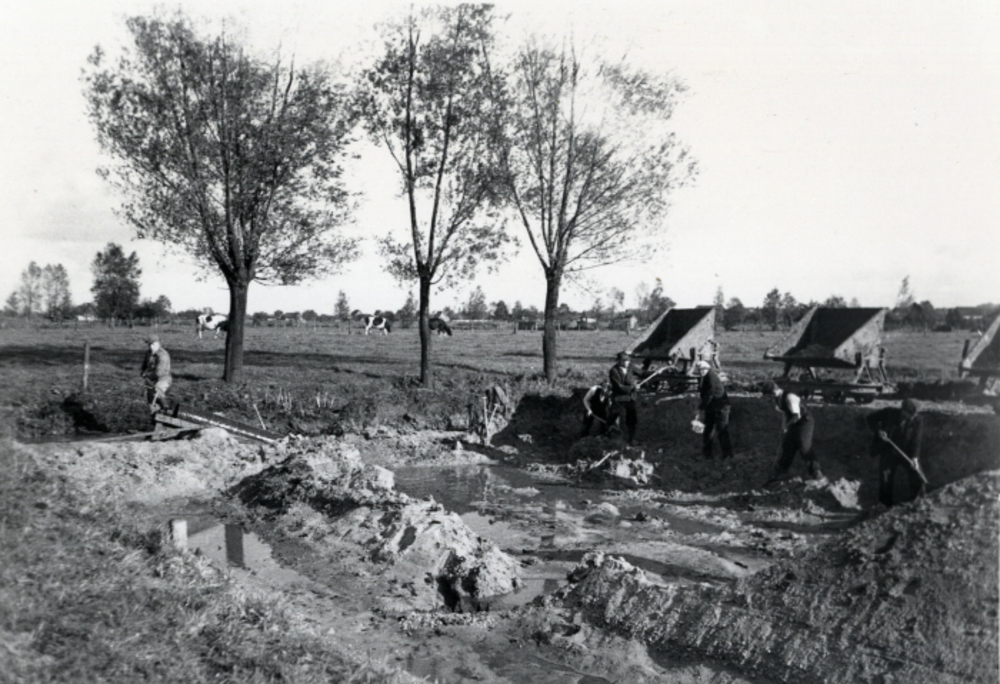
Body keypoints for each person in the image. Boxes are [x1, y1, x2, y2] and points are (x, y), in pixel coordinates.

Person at [865, 398, 925, 506]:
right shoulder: (889, 413)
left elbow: (917, 440)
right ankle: (885, 506)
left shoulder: (918, 420)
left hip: (906, 452)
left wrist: (915, 457)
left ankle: (918, 502)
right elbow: (870, 419)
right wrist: (879, 431)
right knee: (886, 479)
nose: (913, 417)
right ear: (903, 410)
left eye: (915, 414)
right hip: (888, 451)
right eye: (910, 414)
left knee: (917, 474)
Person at [761, 380, 823, 482]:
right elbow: (786, 414)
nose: (768, 398)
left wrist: (787, 427)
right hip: (793, 422)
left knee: (803, 445)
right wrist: (783, 428)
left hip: (804, 422)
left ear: (773, 392)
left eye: (768, 395)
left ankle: (816, 473)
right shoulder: (777, 399)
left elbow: (796, 416)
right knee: (788, 445)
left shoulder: (790, 397)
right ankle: (781, 471)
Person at [695, 359, 734, 460]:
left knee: (722, 431)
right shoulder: (705, 377)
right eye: (699, 370)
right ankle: (707, 454)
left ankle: (728, 455)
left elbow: (709, 394)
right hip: (712, 408)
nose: (701, 371)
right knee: (707, 430)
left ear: (708, 368)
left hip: (721, 408)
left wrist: (701, 408)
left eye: (703, 369)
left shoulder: (711, 377)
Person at [609, 351, 638, 445]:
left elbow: (642, 372)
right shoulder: (614, 371)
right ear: (620, 362)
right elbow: (619, 387)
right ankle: (608, 436)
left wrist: (656, 372)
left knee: (632, 419)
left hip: (630, 398)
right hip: (619, 398)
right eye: (625, 361)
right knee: (613, 416)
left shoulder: (631, 367)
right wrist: (632, 388)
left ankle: (631, 439)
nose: (627, 362)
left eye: (628, 360)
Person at [141, 334, 172, 414]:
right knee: (150, 398)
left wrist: (147, 375)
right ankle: (154, 413)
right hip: (151, 379)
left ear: (157, 344)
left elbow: (159, 373)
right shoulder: (148, 353)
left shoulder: (163, 355)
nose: (150, 347)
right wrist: (143, 372)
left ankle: (167, 410)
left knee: (157, 391)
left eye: (152, 344)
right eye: (149, 345)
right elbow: (144, 366)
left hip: (163, 379)